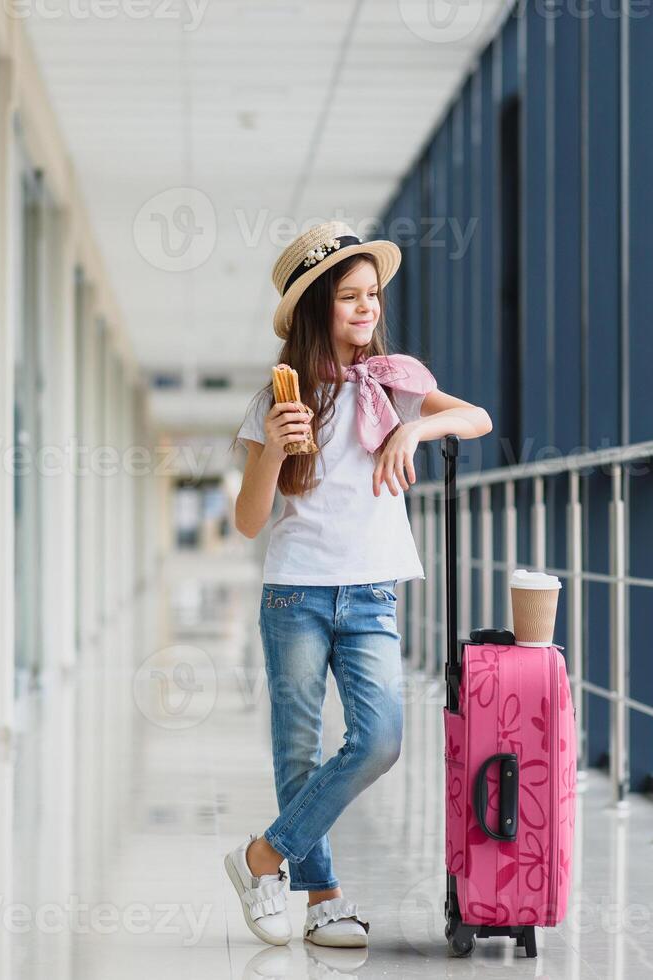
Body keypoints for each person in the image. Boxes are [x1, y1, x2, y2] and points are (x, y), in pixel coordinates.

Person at [226, 221, 494, 948]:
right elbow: (250, 522)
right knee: (299, 752)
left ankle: (262, 857)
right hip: (296, 594)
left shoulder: (395, 387)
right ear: (317, 308)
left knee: (380, 739)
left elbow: (478, 417)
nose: (366, 308)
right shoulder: (275, 402)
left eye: (372, 294)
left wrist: (413, 432)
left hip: (372, 593)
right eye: (349, 297)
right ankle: (323, 900)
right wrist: (273, 452)